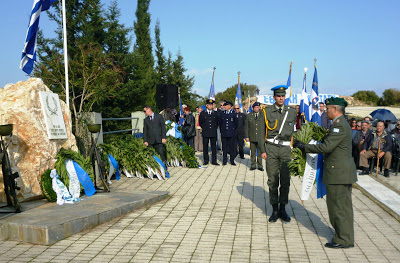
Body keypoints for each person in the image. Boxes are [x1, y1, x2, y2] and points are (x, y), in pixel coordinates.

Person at [294, 97, 357, 249]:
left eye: (328, 108)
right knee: (343, 207)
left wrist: (304, 146)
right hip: (341, 173)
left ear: (335, 109)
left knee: (338, 207)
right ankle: (345, 236)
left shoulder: (339, 126)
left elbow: (326, 147)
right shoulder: (340, 124)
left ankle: (343, 239)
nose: (325, 110)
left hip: (338, 174)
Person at [262, 85, 296, 223]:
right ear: (274, 97)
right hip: (271, 148)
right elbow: (262, 132)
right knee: (272, 180)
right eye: (278, 96)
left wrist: (295, 149)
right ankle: (274, 210)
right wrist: (262, 150)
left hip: (286, 150)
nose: (281, 98)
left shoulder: (292, 112)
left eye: (283, 96)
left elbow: (294, 131)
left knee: (286, 181)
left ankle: (283, 208)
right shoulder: (267, 111)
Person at [245, 102, 266, 171]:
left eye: (258, 107)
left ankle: (260, 166)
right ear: (253, 108)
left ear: (259, 108)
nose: (257, 108)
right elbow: (246, 126)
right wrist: (247, 136)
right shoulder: (249, 115)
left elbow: (265, 126)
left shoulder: (263, 115)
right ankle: (253, 165)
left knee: (260, 152)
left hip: (260, 137)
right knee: (253, 152)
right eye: (255, 107)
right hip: (252, 136)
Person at [199, 99, 220, 166]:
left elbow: (217, 122)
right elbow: (200, 122)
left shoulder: (215, 113)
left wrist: (214, 128)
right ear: (206, 105)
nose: (211, 106)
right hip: (206, 132)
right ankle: (206, 160)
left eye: (212, 105)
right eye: (209, 105)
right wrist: (205, 128)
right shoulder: (203, 113)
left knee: (214, 147)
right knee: (205, 147)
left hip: (213, 132)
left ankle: (214, 161)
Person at [219, 101, 238, 165]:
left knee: (231, 147)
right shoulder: (222, 113)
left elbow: (236, 123)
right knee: (224, 147)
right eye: (225, 105)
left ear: (230, 106)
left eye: (227, 105)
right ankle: (224, 160)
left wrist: (232, 130)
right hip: (224, 132)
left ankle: (232, 160)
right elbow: (220, 123)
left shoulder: (234, 113)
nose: (225, 107)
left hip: (231, 133)